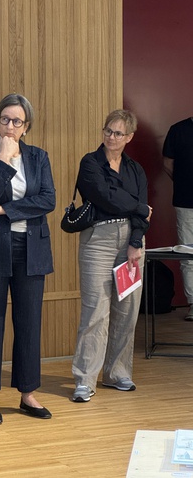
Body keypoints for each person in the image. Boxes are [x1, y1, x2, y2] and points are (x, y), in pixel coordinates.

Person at [0, 94, 56, 424]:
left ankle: (28, 393)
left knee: (29, 322)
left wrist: (3, 209)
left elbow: (48, 200)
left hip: (31, 248)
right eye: (5, 119)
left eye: (17, 121)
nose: (10, 126)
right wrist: (3, 160)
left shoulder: (39, 157)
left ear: (26, 126)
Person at [71, 109, 152, 403]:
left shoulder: (135, 169)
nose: (111, 137)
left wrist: (135, 241)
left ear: (129, 137)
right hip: (98, 241)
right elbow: (105, 197)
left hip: (131, 241)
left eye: (118, 133)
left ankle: (116, 373)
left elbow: (141, 211)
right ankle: (85, 380)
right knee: (95, 311)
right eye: (108, 130)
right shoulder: (90, 163)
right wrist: (139, 207)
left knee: (127, 310)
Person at [163, 117, 193, 320]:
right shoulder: (178, 130)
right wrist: (183, 182)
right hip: (185, 201)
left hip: (184, 197)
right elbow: (167, 163)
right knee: (188, 254)